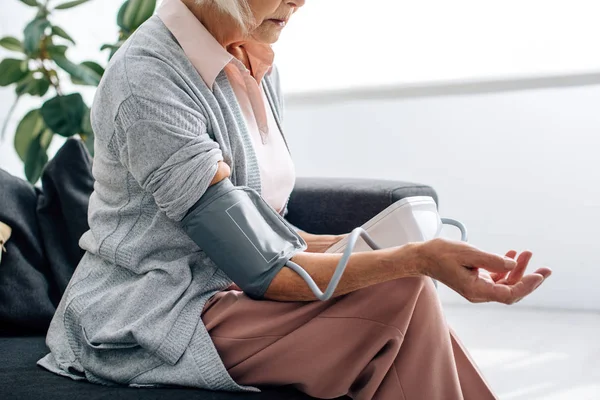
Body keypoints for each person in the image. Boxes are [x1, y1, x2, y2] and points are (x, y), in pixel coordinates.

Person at [38, 0, 552, 398]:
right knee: (403, 288)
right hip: (154, 315)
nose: (302, 1)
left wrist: (368, 246)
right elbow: (263, 265)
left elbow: (267, 231)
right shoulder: (147, 79)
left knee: (403, 288)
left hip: (228, 294)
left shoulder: (251, 60)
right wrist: (416, 259)